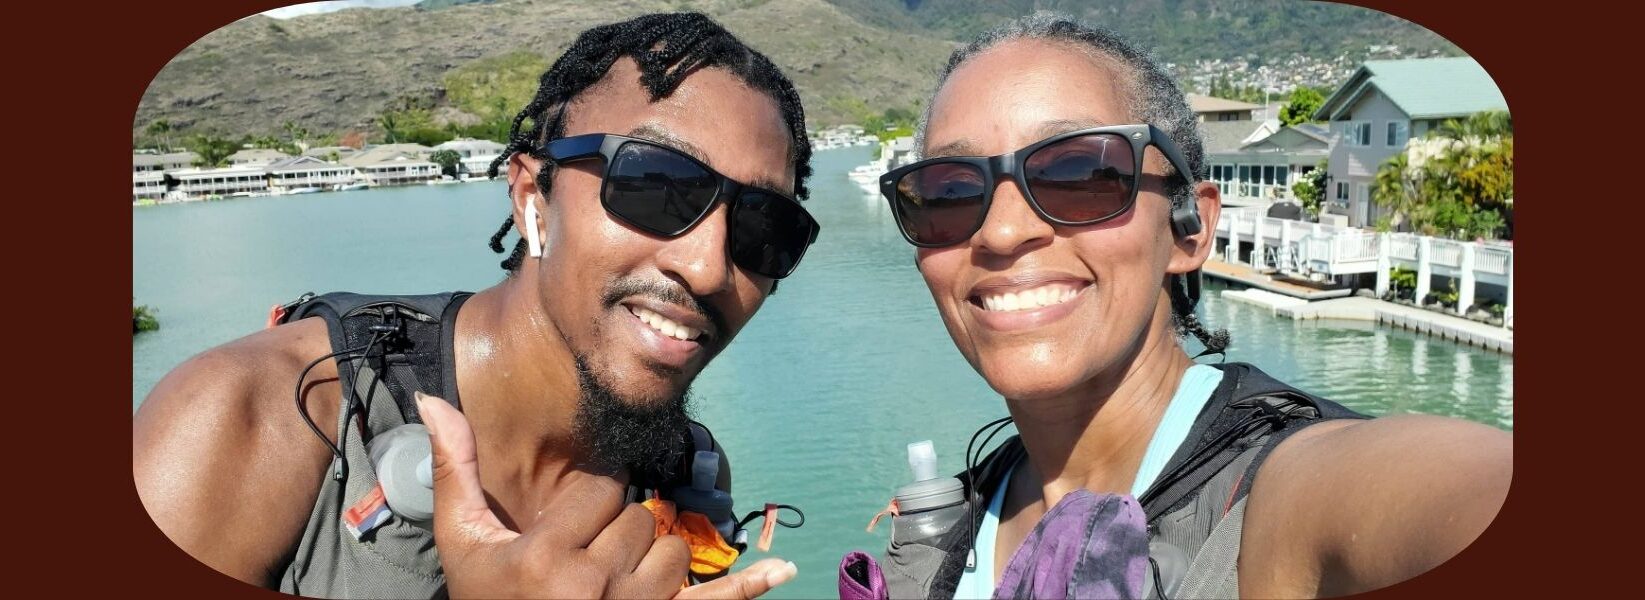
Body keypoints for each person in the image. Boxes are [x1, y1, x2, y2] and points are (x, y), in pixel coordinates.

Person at [134, 12, 819, 598]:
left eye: (764, 226)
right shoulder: (251, 417)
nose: (706, 266)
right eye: (656, 185)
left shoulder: (684, 473)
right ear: (530, 197)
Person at [847, 13, 1509, 599]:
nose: (1000, 231)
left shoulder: (1284, 501)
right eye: (947, 191)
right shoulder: (964, 518)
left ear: (1188, 228)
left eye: (1080, 174)